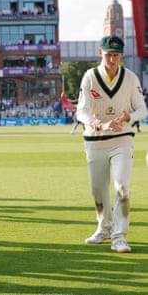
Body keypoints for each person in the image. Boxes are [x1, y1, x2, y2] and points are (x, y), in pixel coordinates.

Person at [76, 35, 148, 253]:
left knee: (122, 187)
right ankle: (104, 227)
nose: (112, 59)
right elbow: (81, 110)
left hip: (122, 140)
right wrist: (99, 124)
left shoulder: (131, 78)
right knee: (98, 190)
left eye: (116, 55)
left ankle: (119, 237)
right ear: (101, 53)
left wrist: (129, 118)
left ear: (121, 55)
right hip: (95, 141)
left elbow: (143, 110)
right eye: (108, 54)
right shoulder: (90, 77)